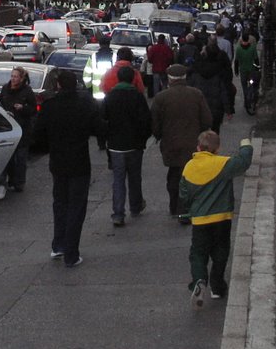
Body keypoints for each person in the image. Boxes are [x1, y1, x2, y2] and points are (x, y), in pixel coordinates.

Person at [33, 70, 105, 268]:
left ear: (58, 86)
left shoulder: (50, 106)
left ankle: (59, 245)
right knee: (76, 206)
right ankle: (71, 253)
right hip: (80, 161)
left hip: (58, 161)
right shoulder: (84, 105)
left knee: (60, 203)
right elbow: (98, 129)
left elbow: (37, 133)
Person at [180, 130, 254, 308]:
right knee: (220, 252)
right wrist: (246, 144)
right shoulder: (223, 164)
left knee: (198, 253)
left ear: (198, 147)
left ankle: (199, 280)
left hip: (200, 221)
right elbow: (243, 162)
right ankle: (217, 286)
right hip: (222, 218)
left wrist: (189, 211)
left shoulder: (189, 167)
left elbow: (184, 194)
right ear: (217, 148)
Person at [151, 64, 212, 221]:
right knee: (191, 176)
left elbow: (155, 124)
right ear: (185, 78)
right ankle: (188, 207)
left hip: (171, 143)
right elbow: (207, 120)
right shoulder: (196, 94)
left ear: (170, 79)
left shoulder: (161, 98)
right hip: (193, 143)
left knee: (174, 175)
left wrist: (159, 135)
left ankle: (175, 207)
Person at [100, 65, 151, 227]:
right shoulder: (137, 97)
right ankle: (135, 206)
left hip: (116, 145)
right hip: (135, 144)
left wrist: (107, 138)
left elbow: (102, 120)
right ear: (132, 79)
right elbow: (146, 121)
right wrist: (143, 139)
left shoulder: (110, 97)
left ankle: (118, 213)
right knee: (135, 177)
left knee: (118, 180)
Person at [0, 66, 37, 197]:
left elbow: (33, 109)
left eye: (15, 77)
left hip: (22, 129)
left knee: (20, 159)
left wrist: (23, 108)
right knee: (8, 158)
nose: (13, 79)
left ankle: (19, 183)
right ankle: (8, 181)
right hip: (7, 128)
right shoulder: (5, 89)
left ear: (21, 78)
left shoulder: (27, 91)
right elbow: (0, 103)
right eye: (12, 76)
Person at [188, 42, 234, 132]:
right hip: (215, 110)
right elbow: (223, 92)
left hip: (200, 109)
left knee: (200, 134)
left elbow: (189, 90)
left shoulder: (196, 70)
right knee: (214, 133)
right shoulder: (219, 71)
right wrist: (228, 109)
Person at [233, 29, 259, 103]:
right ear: (248, 38)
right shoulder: (252, 48)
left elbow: (236, 61)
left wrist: (236, 71)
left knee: (244, 85)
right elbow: (256, 59)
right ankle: (250, 94)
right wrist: (258, 68)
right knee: (251, 83)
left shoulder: (238, 49)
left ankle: (246, 97)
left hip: (243, 71)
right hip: (251, 71)